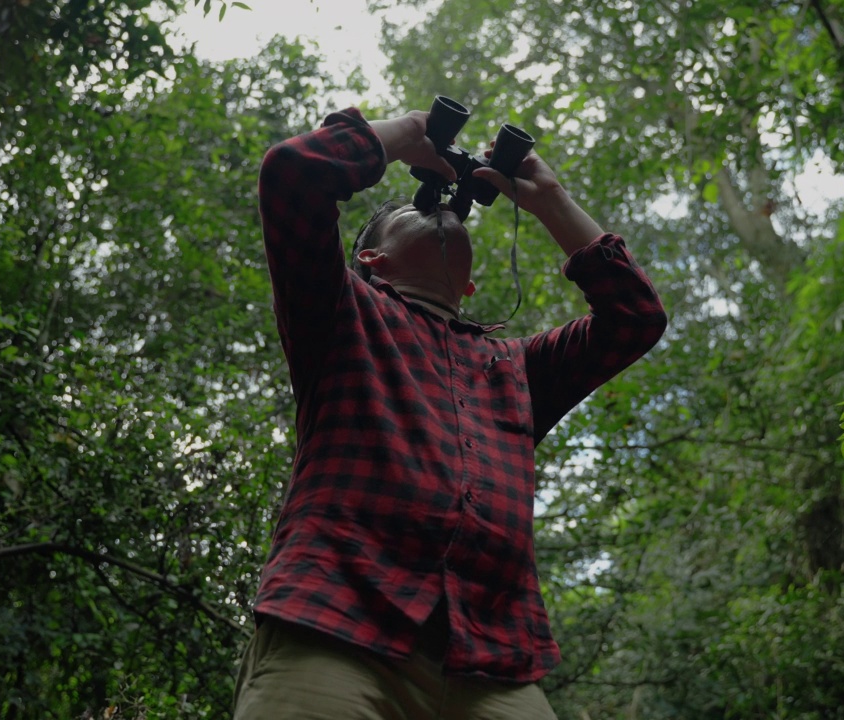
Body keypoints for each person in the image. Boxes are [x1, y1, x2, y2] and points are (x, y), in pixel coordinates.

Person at [233, 104, 667, 720]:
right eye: (415, 210)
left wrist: (549, 199)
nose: (441, 211)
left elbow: (636, 318)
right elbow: (293, 173)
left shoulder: (515, 370)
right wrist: (410, 133)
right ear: (371, 261)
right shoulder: (340, 314)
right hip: (333, 628)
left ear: (468, 288)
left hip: (493, 663)